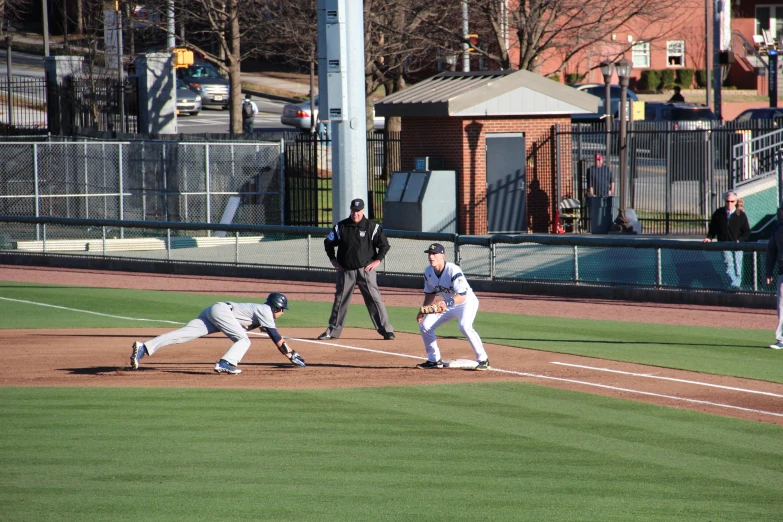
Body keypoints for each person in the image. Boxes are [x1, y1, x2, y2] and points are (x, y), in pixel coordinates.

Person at [129, 292, 305, 374]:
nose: (282, 313)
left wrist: (291, 353)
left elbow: (273, 336)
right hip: (222, 312)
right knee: (244, 341)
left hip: (215, 310)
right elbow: (276, 337)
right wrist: (290, 355)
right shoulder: (266, 311)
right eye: (283, 310)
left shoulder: (261, 310)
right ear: (277, 307)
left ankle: (145, 347)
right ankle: (226, 363)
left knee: (184, 334)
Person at [318, 198, 395, 341]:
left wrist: (377, 260)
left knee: (374, 300)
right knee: (340, 301)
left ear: (363, 211)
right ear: (350, 210)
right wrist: (333, 260)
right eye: (353, 210)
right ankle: (332, 331)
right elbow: (328, 242)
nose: (356, 214)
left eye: (358, 211)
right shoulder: (341, 226)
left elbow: (384, 245)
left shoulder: (372, 227)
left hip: (365, 270)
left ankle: (386, 330)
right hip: (345, 270)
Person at [415, 242, 490, 371]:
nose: (431, 257)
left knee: (464, 326)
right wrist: (422, 310)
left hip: (466, 302)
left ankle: (483, 360)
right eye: (429, 254)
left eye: (434, 254)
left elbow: (462, 295)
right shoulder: (428, 272)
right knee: (425, 325)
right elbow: (430, 294)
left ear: (442, 255)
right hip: (448, 304)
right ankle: (434, 360)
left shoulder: (452, 270)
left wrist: (446, 302)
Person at [703, 191, 750, 289]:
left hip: (737, 245)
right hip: (724, 243)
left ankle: (736, 285)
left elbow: (746, 232)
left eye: (732, 201)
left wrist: (740, 240)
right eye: (727, 201)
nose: (730, 204)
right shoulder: (719, 213)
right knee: (728, 265)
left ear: (735, 202)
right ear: (725, 201)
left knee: (738, 266)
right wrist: (709, 237)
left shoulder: (740, 215)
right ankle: (734, 285)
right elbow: (713, 228)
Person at [765, 208, 783, 349]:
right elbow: (771, 250)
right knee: (782, 306)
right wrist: (768, 271)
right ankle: (782, 339)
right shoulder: (777, 227)